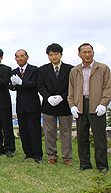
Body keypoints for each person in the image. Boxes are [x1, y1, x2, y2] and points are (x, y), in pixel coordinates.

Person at [68, 43, 111, 173]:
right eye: (84, 52)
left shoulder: (103, 68)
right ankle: (84, 163)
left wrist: (103, 104)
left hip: (97, 105)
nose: (87, 54)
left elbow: (108, 88)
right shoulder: (75, 71)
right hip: (81, 105)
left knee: (99, 137)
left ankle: (102, 165)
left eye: (90, 52)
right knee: (82, 136)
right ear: (79, 54)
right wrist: (72, 105)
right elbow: (71, 90)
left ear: (93, 53)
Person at [37, 43, 74, 165]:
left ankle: (67, 157)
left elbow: (72, 86)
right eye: (51, 55)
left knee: (66, 131)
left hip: (64, 104)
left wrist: (62, 97)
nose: (54, 57)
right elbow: (40, 86)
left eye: (56, 54)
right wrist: (48, 97)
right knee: (49, 131)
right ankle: (52, 155)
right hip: (49, 105)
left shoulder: (70, 69)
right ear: (48, 56)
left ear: (61, 54)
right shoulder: (43, 69)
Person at [9, 49, 42, 163]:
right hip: (21, 105)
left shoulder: (34, 70)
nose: (20, 58)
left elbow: (35, 84)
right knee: (24, 131)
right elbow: (12, 87)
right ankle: (28, 153)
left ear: (27, 57)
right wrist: (13, 85)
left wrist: (22, 82)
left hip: (32, 104)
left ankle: (38, 154)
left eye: (22, 56)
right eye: (17, 57)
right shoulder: (14, 71)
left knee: (34, 130)